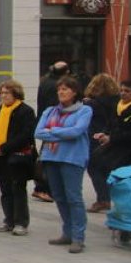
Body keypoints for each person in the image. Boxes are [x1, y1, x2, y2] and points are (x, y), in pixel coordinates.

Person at [35, 77, 93, 253]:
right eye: (59, 89)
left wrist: (52, 131)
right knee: (59, 197)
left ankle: (78, 237)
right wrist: (61, 134)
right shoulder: (50, 111)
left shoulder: (84, 110)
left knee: (74, 198)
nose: (61, 92)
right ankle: (67, 232)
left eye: (65, 89)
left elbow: (76, 131)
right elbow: (38, 132)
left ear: (74, 92)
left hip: (72, 158)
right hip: (52, 157)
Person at [92, 79, 131, 211]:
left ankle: (127, 212)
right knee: (96, 163)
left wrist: (111, 138)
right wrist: (104, 133)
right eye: (121, 90)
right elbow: (112, 123)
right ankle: (107, 200)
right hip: (117, 145)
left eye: (127, 91)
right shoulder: (119, 104)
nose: (123, 93)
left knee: (128, 182)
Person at [0, 80, 37, 236]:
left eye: (7, 93)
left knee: (17, 189)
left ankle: (21, 222)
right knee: (5, 190)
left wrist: (4, 148)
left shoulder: (25, 111)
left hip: (16, 156)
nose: (3, 96)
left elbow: (25, 135)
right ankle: (8, 220)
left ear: (16, 94)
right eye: (1, 93)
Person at [33, 61, 71, 202]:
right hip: (56, 123)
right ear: (66, 72)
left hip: (46, 122)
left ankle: (42, 187)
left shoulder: (44, 82)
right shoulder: (59, 86)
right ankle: (44, 188)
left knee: (46, 155)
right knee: (51, 157)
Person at [82, 74, 120, 212]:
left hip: (95, 137)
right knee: (108, 169)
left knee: (94, 168)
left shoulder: (91, 103)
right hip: (112, 137)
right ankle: (111, 196)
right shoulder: (118, 101)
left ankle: (103, 199)